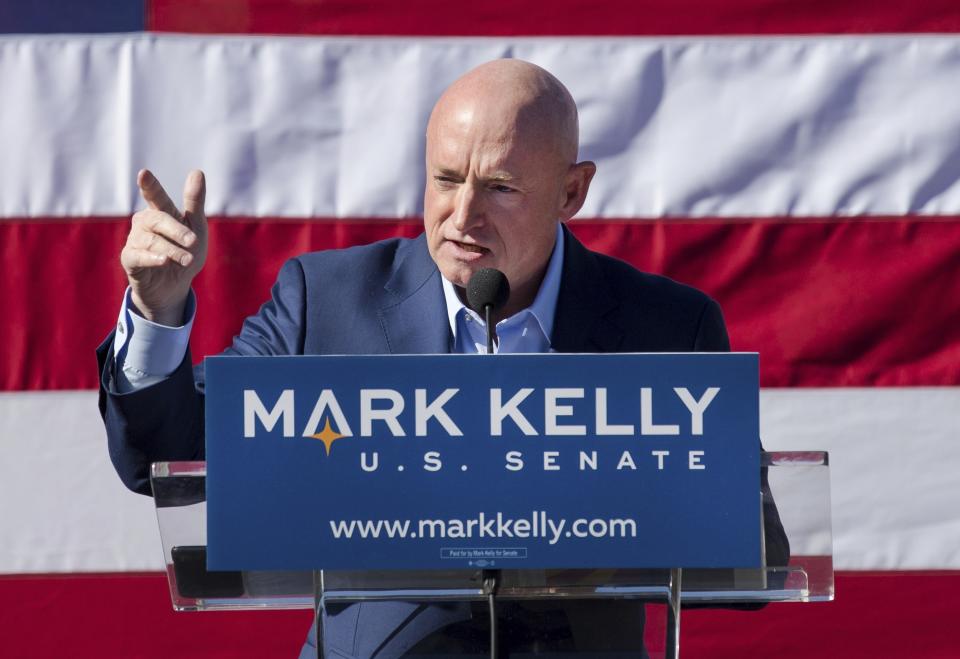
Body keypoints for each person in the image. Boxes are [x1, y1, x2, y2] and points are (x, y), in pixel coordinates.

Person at [99, 59, 785, 657]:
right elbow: (170, 458)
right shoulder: (326, 300)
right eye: (446, 179)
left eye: (500, 187)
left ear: (571, 192)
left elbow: (753, 559)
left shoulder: (665, 324)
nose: (462, 215)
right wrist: (157, 312)